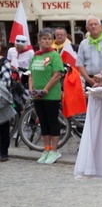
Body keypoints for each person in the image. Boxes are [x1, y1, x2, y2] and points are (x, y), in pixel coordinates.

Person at [28, 28, 65, 164]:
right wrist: (31, 89)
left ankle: (54, 151)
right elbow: (31, 75)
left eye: (49, 38)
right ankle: (47, 148)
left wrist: (45, 90)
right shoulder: (36, 56)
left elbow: (56, 75)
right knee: (43, 123)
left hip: (50, 95)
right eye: (44, 38)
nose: (47, 41)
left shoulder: (55, 55)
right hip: (37, 96)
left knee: (52, 122)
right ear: (39, 41)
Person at [77, 16, 102, 88]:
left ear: (100, 26)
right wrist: (88, 79)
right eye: (90, 25)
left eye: (95, 24)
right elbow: (80, 64)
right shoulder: (83, 43)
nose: (93, 26)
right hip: (90, 80)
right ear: (87, 28)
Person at [0, 43, 13, 162]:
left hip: (1, 98)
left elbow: (6, 81)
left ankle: (3, 152)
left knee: (3, 125)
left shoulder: (4, 62)